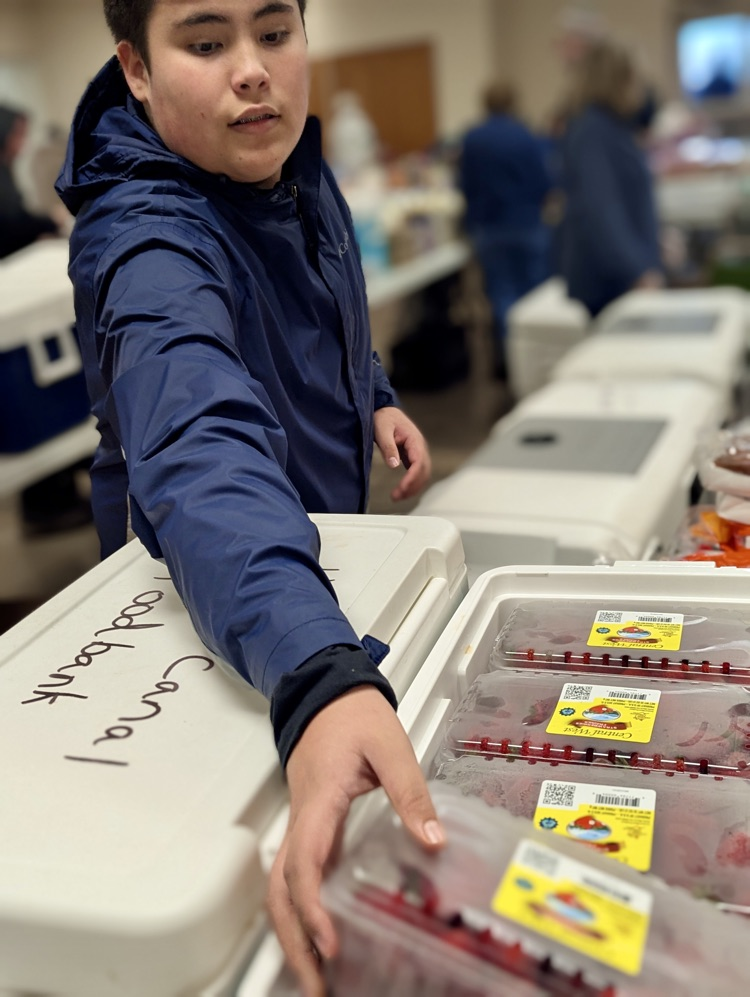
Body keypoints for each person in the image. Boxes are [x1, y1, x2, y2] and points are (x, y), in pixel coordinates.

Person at [54, 2, 444, 994]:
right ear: (136, 69)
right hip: (208, 585)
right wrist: (316, 673)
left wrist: (377, 398)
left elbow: (325, 308)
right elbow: (197, 446)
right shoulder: (146, 239)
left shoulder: (285, 162)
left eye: (274, 34)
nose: (253, 72)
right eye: (206, 42)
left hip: (303, 558)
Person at [557, 39, 664, 317]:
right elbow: (600, 208)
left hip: (621, 274)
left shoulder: (613, 126)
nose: (643, 86)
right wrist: (637, 270)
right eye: (637, 78)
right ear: (619, 79)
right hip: (611, 281)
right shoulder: (593, 130)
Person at [458, 81, 552, 379]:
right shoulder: (527, 135)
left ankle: (512, 365)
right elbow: (544, 182)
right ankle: (539, 365)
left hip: (491, 229)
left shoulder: (473, 139)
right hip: (527, 224)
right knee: (535, 294)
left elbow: (465, 185)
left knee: (502, 295)